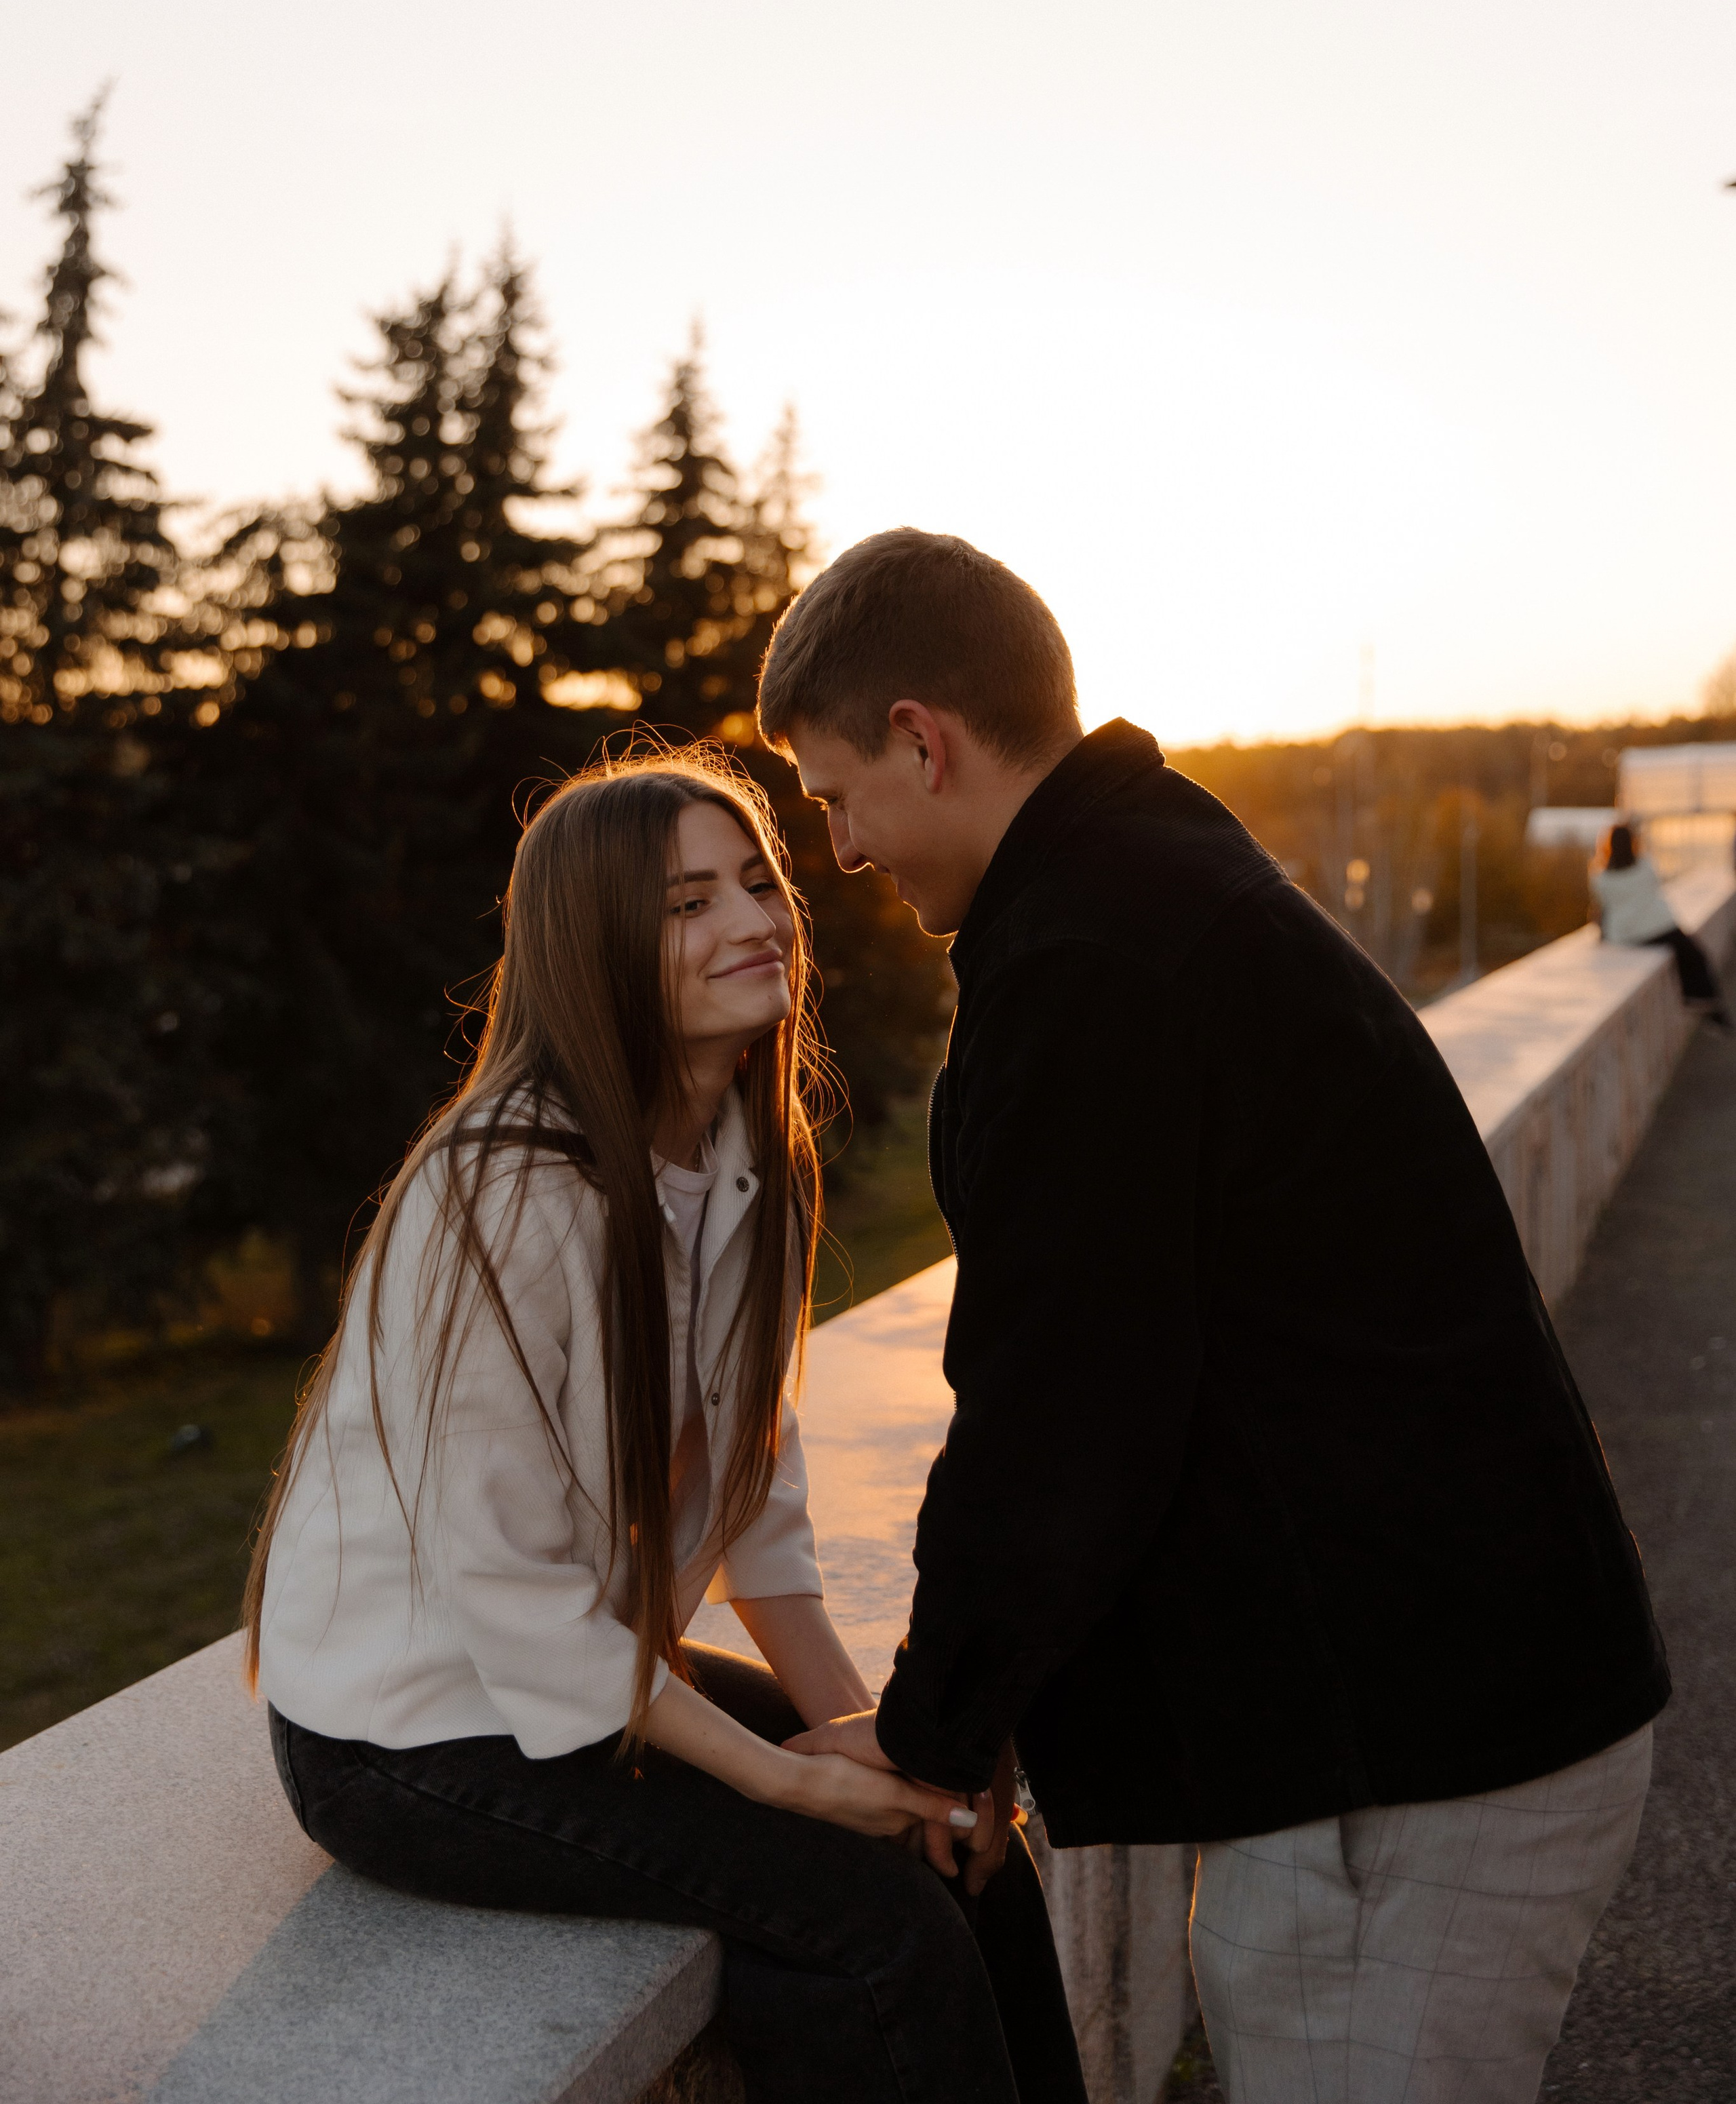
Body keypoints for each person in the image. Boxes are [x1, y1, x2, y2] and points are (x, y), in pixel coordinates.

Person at [757, 530, 1670, 2104]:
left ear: (924, 736)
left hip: (1410, 1759)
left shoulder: (1088, 962)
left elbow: (1058, 1405)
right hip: (1437, 1706)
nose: (840, 849)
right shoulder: (1147, 875)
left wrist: (929, 1727)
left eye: (838, 795)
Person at [247, 752, 1086, 2104]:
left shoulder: (745, 1163)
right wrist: (791, 1786)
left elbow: (756, 1496)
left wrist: (874, 1742)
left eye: (759, 882)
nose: (755, 922)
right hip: (406, 1736)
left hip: (580, 1680)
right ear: (594, 952)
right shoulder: (506, 1198)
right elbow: (511, 1593)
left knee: (958, 1840)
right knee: (868, 1933)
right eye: (687, 903)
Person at [1591, 818, 1733, 1029]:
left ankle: (1703, 1005)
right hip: (1657, 927)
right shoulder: (1645, 865)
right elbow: (1654, 885)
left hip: (1625, 935)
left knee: (1684, 953)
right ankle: (1704, 1002)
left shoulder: (1600, 877)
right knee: (1694, 955)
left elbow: (1604, 908)